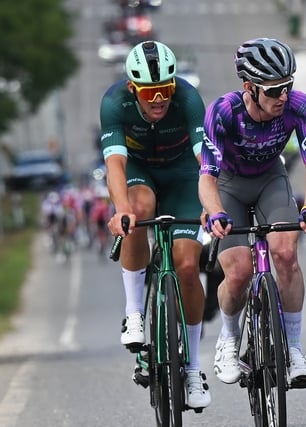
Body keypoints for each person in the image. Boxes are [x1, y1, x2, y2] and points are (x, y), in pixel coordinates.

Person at [199, 37, 306, 389]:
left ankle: (295, 349)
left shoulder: (299, 106)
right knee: (238, 271)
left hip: (271, 178)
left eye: (287, 86)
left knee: (285, 253)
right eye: (273, 91)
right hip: (229, 185)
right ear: (249, 88)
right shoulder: (223, 112)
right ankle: (228, 337)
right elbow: (207, 176)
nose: (282, 96)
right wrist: (214, 212)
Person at [101, 40, 211, 408]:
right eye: (151, 92)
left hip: (182, 175)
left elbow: (205, 158)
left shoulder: (188, 98)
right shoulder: (115, 103)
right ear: (133, 88)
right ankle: (134, 313)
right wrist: (121, 210)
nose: (160, 99)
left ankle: (193, 367)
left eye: (166, 88)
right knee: (137, 210)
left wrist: (215, 204)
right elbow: (115, 164)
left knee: (187, 266)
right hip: (139, 171)